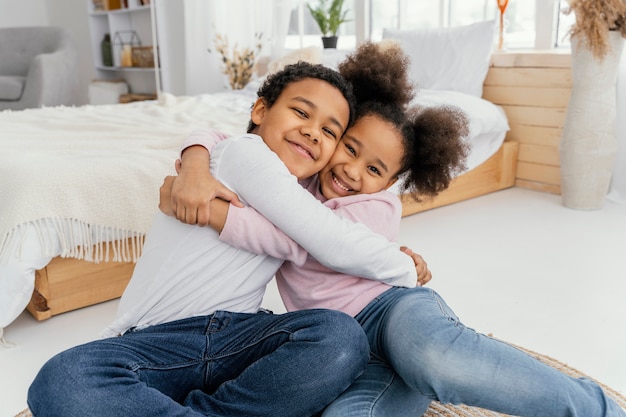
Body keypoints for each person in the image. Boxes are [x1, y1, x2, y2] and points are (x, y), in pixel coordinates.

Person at [165, 43, 626, 417]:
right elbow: (227, 138)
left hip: (393, 312)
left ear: (390, 184)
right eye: (349, 147)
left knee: (432, 357)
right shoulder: (297, 177)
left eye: (375, 168)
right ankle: (413, 375)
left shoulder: (377, 206)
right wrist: (194, 161)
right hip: (344, 348)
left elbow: (303, 243)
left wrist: (216, 214)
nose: (352, 170)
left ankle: (596, 407)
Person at [27, 60, 424, 417]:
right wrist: (404, 265)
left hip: (235, 336)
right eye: (301, 112)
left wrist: (196, 156)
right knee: (61, 380)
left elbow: (331, 235)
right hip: (156, 343)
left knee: (340, 336)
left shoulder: (302, 193)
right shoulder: (245, 154)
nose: (311, 131)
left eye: (329, 132)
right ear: (260, 110)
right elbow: (329, 240)